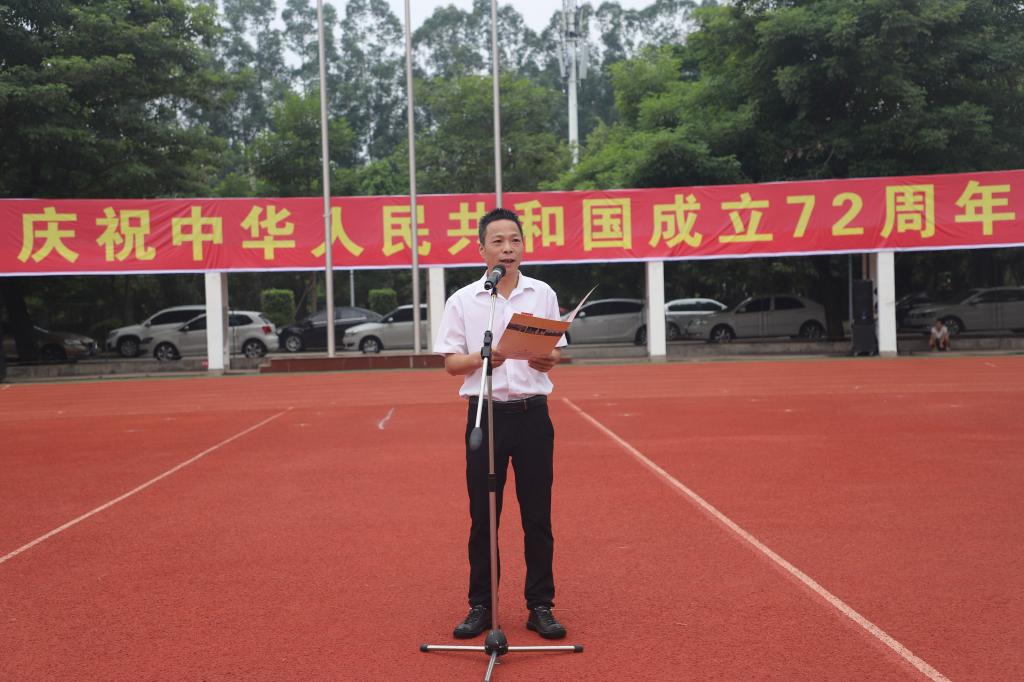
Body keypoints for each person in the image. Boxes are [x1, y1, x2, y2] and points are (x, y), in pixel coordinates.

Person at [434, 207, 569, 640]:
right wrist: (484, 358)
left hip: (533, 415)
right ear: (482, 250)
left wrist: (548, 358)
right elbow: (451, 363)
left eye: (514, 240)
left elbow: (555, 351)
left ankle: (540, 605)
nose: (507, 248)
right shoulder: (463, 300)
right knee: (483, 517)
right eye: (498, 241)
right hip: (485, 415)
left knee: (537, 516)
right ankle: (481, 605)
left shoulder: (542, 293)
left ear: (523, 246)